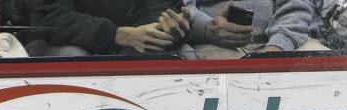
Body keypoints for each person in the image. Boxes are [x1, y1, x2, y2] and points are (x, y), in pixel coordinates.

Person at [21, 0, 190, 57]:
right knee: (73, 55)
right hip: (66, 45)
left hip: (134, 45)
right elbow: (47, 19)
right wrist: (116, 35)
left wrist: (163, 28)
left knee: (187, 54)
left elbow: (164, 7)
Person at [184, 0, 330, 59]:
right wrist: (206, 29)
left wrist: (278, 45)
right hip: (212, 41)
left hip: (284, 39)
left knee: (327, 65)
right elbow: (178, 8)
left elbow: (295, 5)